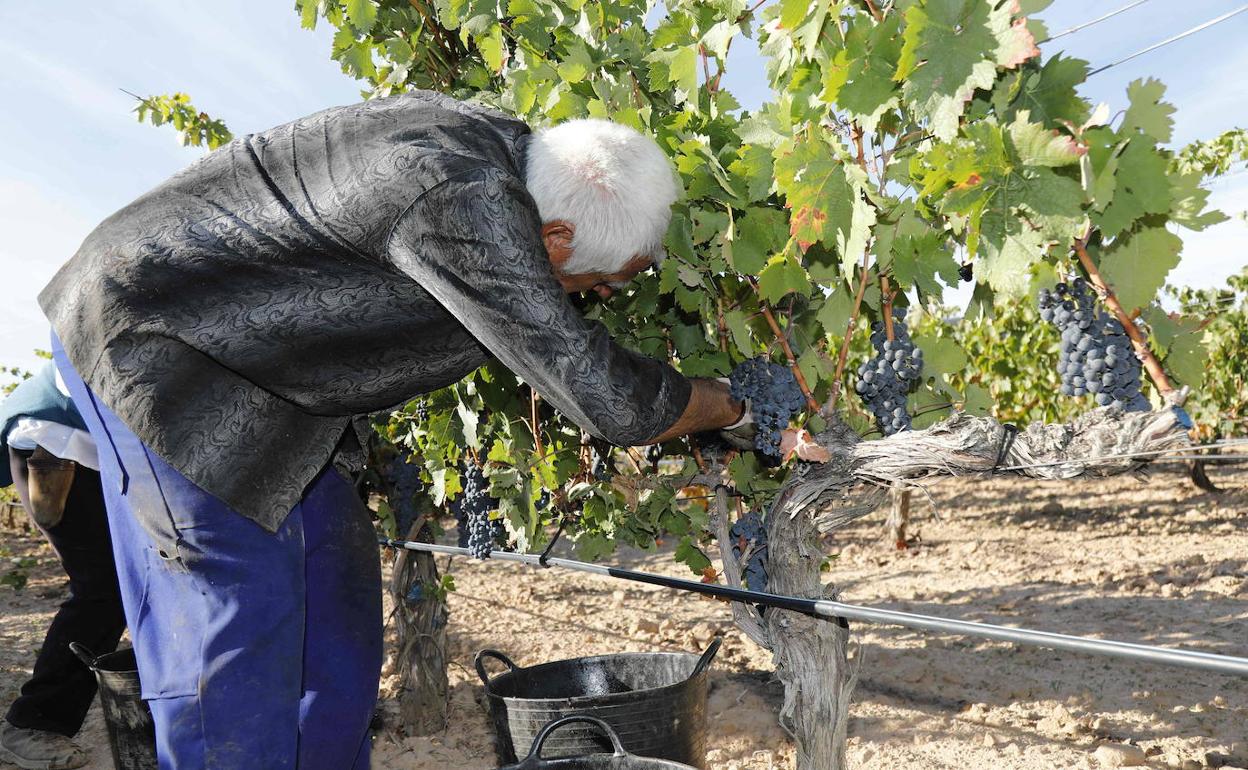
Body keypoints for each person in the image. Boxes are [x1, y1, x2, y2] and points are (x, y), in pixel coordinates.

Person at [38, 90, 750, 769]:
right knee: (235, 620)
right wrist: (734, 405)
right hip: (154, 345)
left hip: (269, 383)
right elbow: (606, 397)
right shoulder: (465, 200)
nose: (599, 298)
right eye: (606, 282)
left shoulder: (500, 158)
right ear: (556, 239)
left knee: (338, 613)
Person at [0, 363, 126, 770]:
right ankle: (32, 723)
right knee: (103, 588)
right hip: (55, 444)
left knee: (136, 579)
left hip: (98, 447)